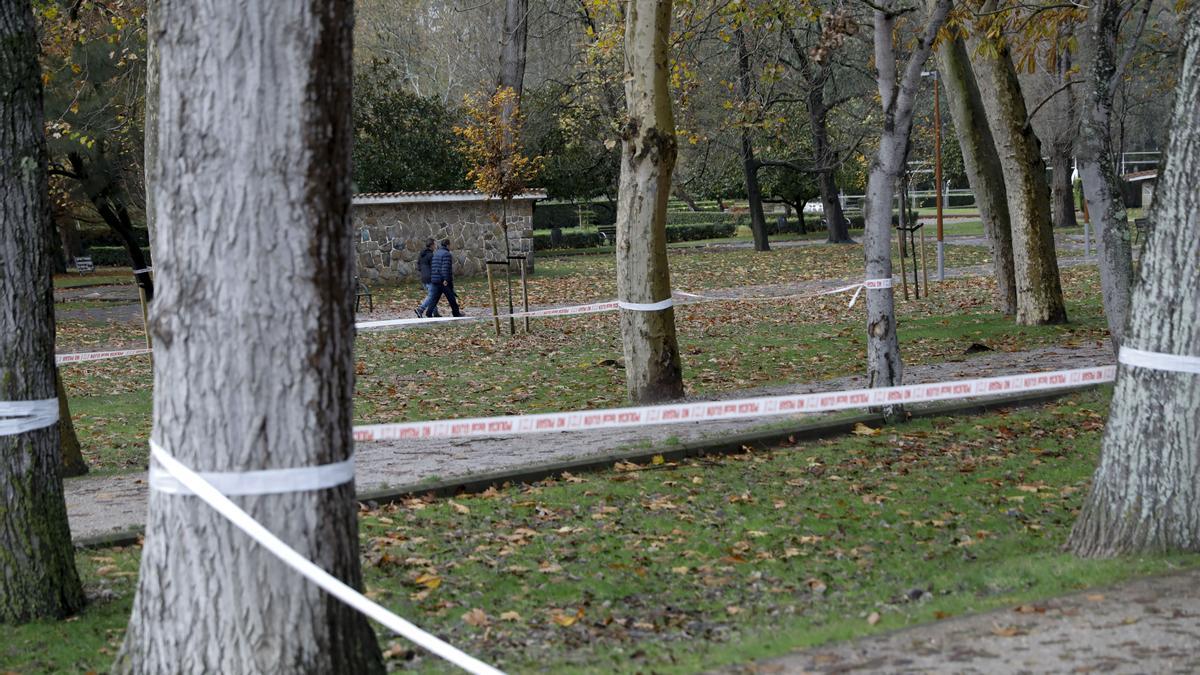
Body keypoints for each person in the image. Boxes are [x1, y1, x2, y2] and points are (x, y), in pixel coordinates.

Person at [428, 238, 463, 317]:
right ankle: (456, 313)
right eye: (450, 245)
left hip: (435, 279)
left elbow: (434, 266)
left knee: (435, 298)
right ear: (448, 245)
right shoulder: (447, 254)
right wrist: (446, 279)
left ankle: (429, 312)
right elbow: (445, 268)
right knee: (451, 298)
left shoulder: (436, 253)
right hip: (443, 281)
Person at [414, 238, 440, 318]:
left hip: (423, 278)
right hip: (430, 278)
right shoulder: (431, 255)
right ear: (431, 245)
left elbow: (418, 266)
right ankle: (420, 309)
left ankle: (435, 312)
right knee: (432, 295)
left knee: (433, 295)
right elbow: (434, 267)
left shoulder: (421, 255)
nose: (435, 246)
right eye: (434, 244)